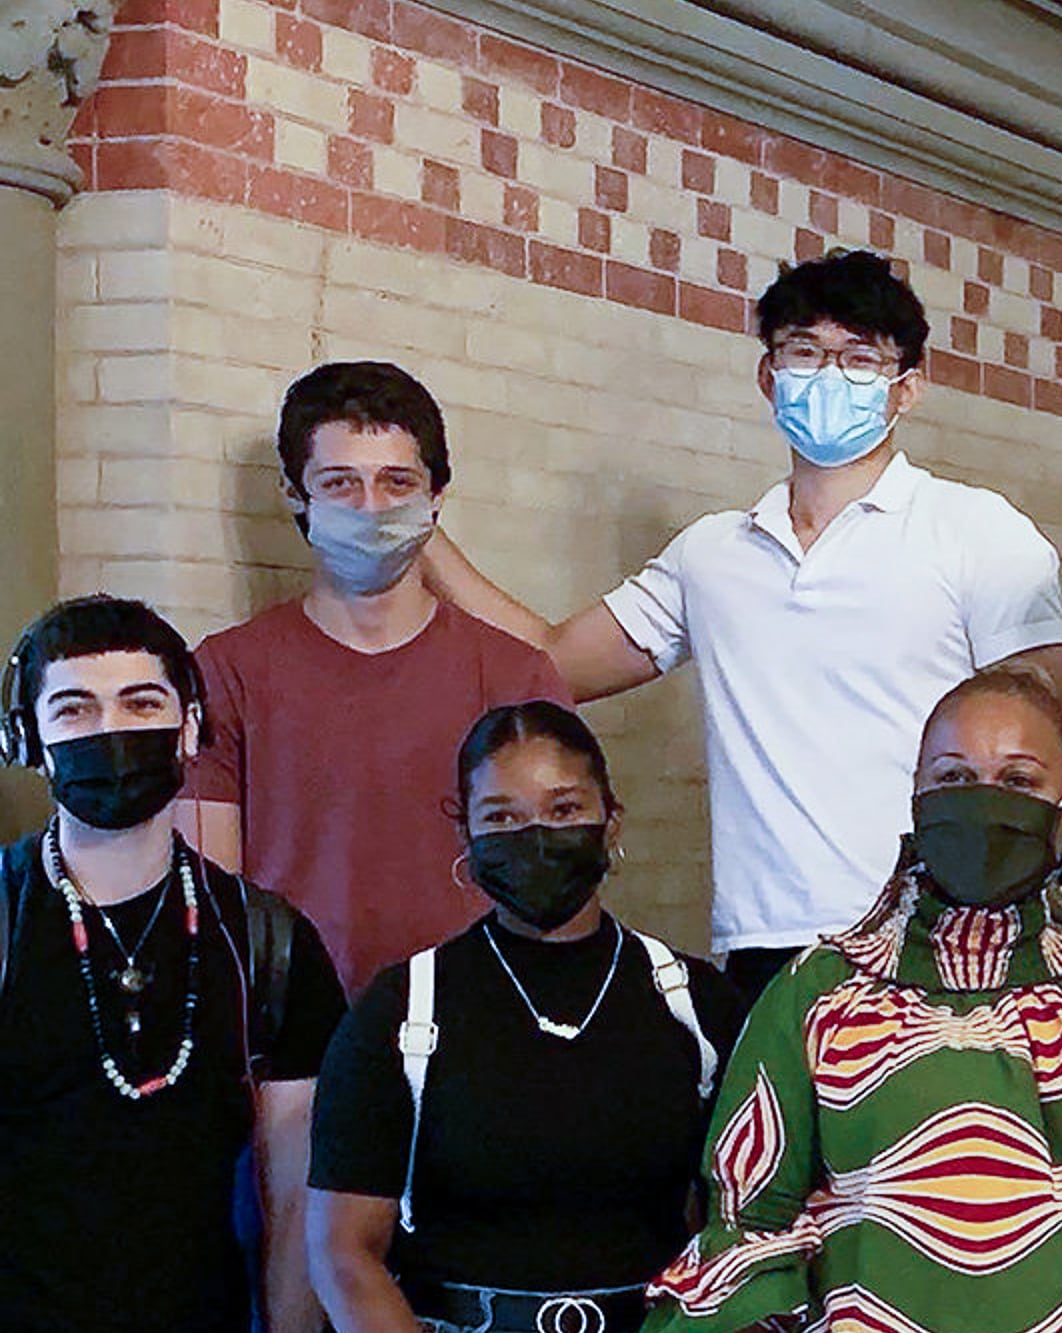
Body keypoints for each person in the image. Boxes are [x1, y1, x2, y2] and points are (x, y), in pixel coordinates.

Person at [422, 251, 1062, 997]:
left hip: (942, 932)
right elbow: (547, 660)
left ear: (907, 388)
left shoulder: (977, 531)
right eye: (804, 351)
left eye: (860, 357)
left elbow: (1051, 738)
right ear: (769, 376)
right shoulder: (713, 554)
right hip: (767, 946)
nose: (830, 375)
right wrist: (418, 529)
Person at [644, 666, 1062, 1332]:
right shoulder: (824, 988)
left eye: (1019, 781)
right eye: (953, 779)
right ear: (916, 797)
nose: (983, 804)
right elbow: (747, 1218)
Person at [308, 701, 745, 1333]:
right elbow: (344, 1252)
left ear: (611, 820)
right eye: (502, 817)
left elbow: (740, 1223)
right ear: (467, 836)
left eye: (564, 809)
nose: (535, 835)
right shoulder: (402, 1010)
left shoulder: (696, 1004)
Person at [0, 595, 347, 1333]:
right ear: (27, 738)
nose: (112, 732)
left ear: (188, 726)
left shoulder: (272, 943)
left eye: (141, 702)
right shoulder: (5, 918)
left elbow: (296, 1197)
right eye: (73, 710)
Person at [180, 361, 571, 995]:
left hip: (478, 1020)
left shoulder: (517, 676)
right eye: (339, 483)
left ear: (436, 496)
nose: (370, 508)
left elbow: (553, 892)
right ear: (294, 496)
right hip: (295, 1041)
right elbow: (209, 898)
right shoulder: (225, 673)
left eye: (397, 482)